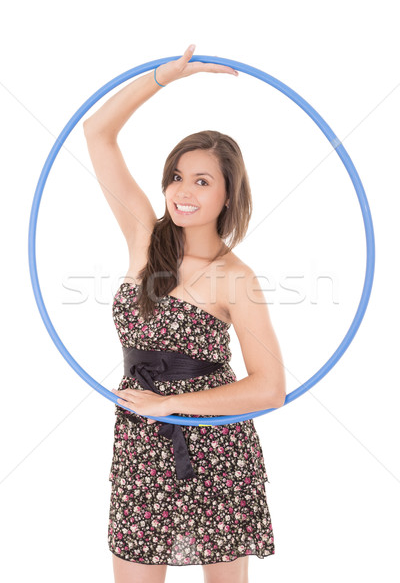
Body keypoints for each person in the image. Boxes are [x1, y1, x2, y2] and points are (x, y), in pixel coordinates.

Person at [83, 43, 286, 583]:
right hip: (139, 442)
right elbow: (96, 133)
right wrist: (165, 76)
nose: (183, 191)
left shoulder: (234, 277)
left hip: (216, 448)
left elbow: (269, 388)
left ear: (227, 195)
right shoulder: (144, 239)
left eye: (202, 181)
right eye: (177, 176)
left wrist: (168, 404)